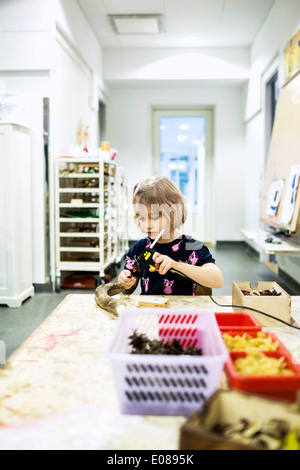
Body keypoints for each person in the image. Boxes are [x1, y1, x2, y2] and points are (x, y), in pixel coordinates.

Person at [118, 176, 224, 295]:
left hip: (182, 312)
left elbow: (218, 280)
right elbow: (127, 291)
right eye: (141, 217)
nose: (146, 225)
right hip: (149, 312)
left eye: (154, 217)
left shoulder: (191, 247)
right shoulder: (139, 248)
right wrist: (126, 282)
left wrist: (175, 266)